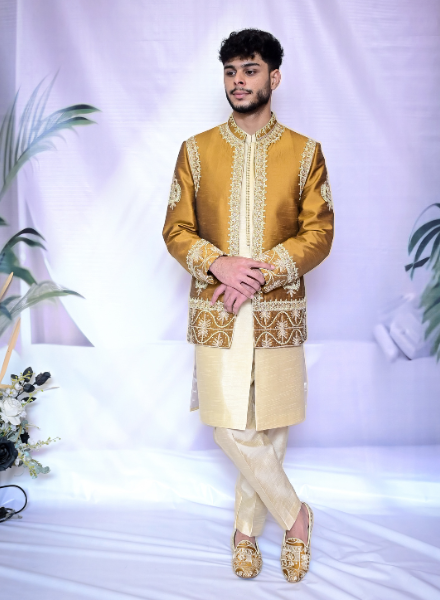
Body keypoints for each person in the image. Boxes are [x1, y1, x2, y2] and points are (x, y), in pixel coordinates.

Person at [162, 28, 334, 583]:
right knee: (228, 424)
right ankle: (297, 517)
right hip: (218, 307)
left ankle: (244, 532)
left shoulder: (305, 153)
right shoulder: (196, 150)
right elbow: (176, 230)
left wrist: (254, 273)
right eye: (231, 71)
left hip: (278, 308)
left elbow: (319, 234)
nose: (238, 81)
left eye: (250, 70)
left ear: (273, 77)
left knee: (271, 424)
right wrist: (221, 265)